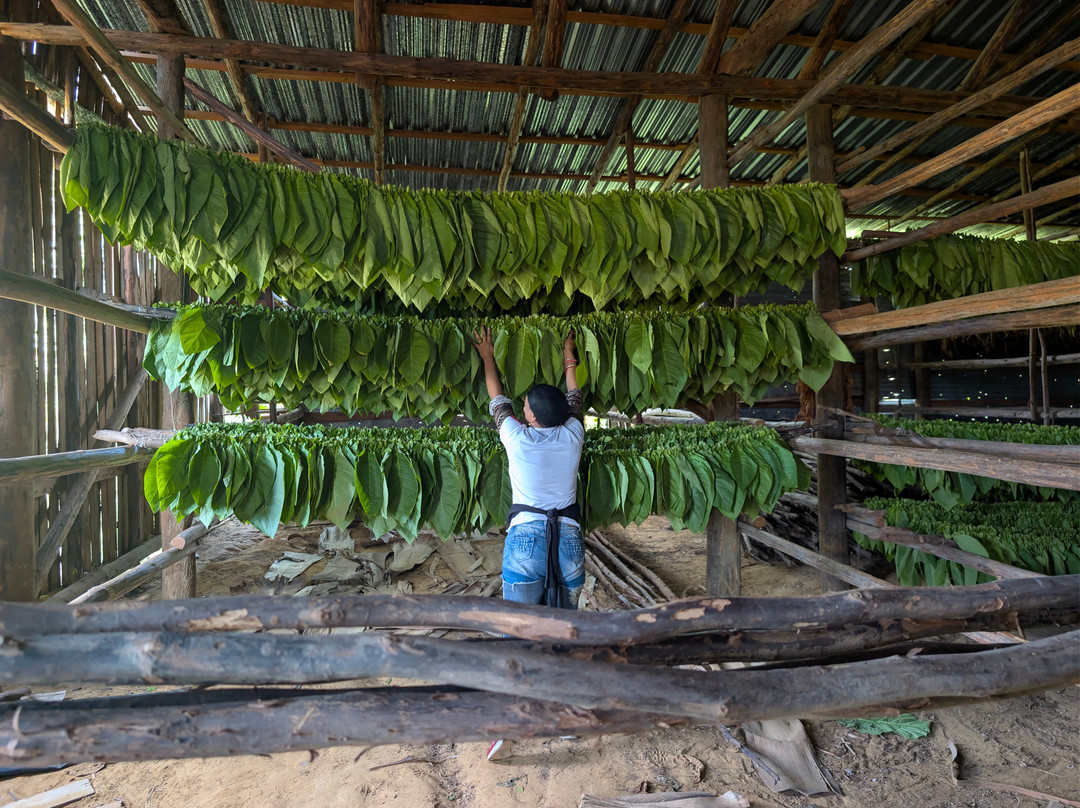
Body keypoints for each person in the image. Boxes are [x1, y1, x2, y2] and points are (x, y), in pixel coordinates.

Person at [471, 327, 586, 609]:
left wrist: (488, 357)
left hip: (526, 540)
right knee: (567, 629)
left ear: (531, 415)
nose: (522, 407)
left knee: (518, 628)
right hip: (568, 541)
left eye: (524, 405)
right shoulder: (573, 434)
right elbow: (574, 396)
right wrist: (569, 354)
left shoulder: (517, 438)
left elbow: (497, 399)